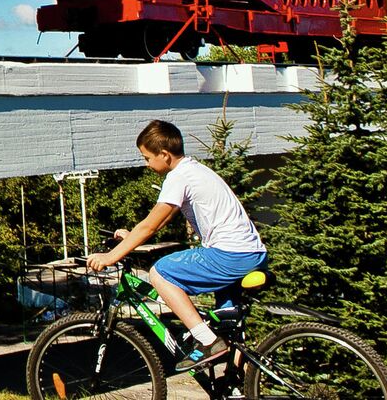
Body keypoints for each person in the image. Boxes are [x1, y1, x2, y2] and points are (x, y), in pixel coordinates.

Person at [87, 119, 266, 367]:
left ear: (164, 154)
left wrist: (111, 256)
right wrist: (131, 238)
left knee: (160, 274)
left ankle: (206, 341)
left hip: (229, 255)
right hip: (249, 253)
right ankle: (238, 387)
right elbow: (160, 222)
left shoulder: (179, 176)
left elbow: (152, 224)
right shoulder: (197, 170)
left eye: (147, 158)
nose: (146, 164)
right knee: (227, 332)